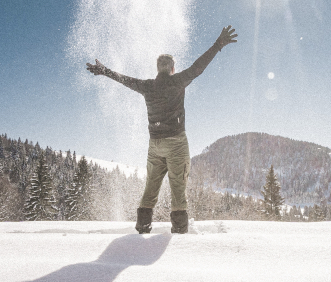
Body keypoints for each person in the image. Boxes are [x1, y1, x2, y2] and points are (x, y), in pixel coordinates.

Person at [86, 26, 238, 234]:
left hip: (155, 146)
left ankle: (142, 230)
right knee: (178, 192)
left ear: (158, 69)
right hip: (175, 143)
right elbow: (198, 67)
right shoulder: (177, 82)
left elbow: (126, 80)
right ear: (172, 69)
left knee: (150, 188)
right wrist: (218, 45)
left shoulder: (148, 86)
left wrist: (105, 72)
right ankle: (180, 238)